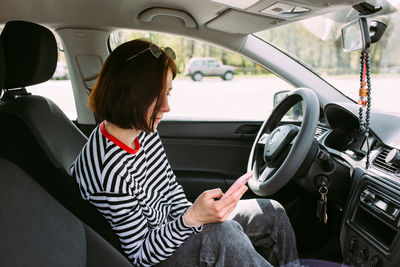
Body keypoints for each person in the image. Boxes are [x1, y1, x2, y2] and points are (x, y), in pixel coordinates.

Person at [71, 39, 300, 267]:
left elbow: (169, 188)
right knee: (226, 235)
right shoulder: (108, 170)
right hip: (155, 255)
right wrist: (191, 219)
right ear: (130, 95)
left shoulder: (143, 130)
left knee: (272, 212)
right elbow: (140, 254)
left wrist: (199, 215)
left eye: (168, 94)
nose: (166, 107)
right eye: (157, 96)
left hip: (173, 229)